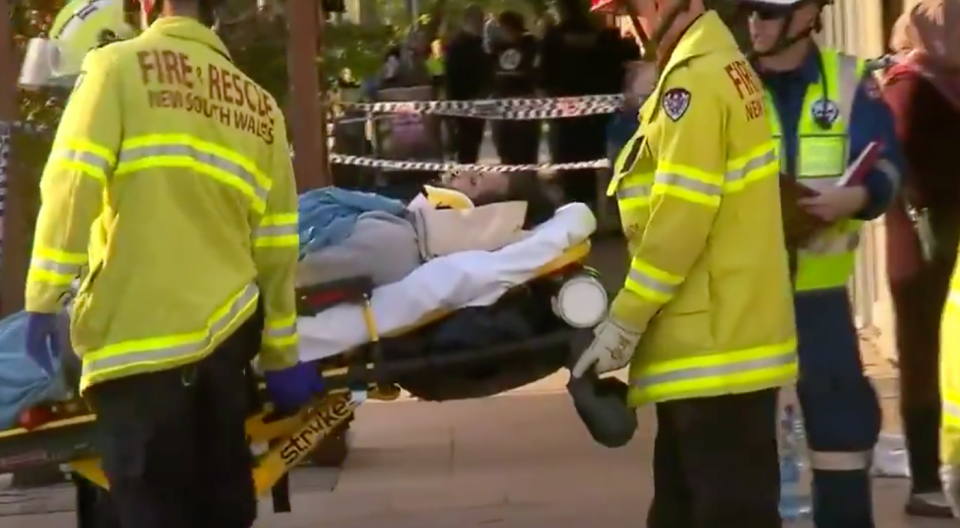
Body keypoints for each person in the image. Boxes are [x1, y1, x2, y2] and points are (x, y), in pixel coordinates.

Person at [20, 0, 323, 527]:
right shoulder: (259, 108)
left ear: (146, 5)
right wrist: (281, 356)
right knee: (220, 512)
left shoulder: (116, 68)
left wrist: (44, 298)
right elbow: (276, 244)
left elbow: (72, 187)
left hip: (137, 351)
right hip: (226, 352)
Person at [571, 0, 796, 526]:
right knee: (680, 512)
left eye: (630, 12)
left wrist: (626, 319)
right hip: (720, 342)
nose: (629, 28)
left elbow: (679, 221)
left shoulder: (692, 88)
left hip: (713, 352)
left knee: (718, 513)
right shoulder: (723, 69)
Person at [742, 0, 904, 526]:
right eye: (749, 11)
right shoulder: (728, 85)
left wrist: (854, 199)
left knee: (842, 439)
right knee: (740, 452)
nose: (755, 23)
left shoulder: (851, 81)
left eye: (767, 12)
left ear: (807, 13)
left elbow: (886, 163)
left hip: (821, 302)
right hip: (744, 301)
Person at [880, 0, 960, 518]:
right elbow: (902, 160)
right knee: (920, 354)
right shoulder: (907, 86)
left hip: (935, 230)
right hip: (920, 236)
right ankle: (926, 479)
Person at [540, 0, 608, 206]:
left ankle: (572, 209)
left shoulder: (553, 37)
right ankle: (591, 207)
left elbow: (544, 74)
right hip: (594, 112)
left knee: (568, 163)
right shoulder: (597, 35)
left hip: (564, 111)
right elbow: (609, 70)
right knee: (590, 163)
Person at [488, 11, 541, 168]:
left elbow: (537, 72)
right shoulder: (496, 46)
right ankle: (510, 182)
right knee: (505, 149)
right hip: (502, 103)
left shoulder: (530, 44)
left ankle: (528, 182)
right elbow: (489, 72)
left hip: (525, 102)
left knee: (526, 149)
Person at [445, 4, 490, 164]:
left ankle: (469, 177)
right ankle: (465, 179)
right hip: (465, 102)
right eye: (480, 20)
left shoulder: (477, 43)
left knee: (472, 145)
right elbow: (454, 76)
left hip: (477, 101)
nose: (482, 24)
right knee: (467, 146)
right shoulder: (460, 45)